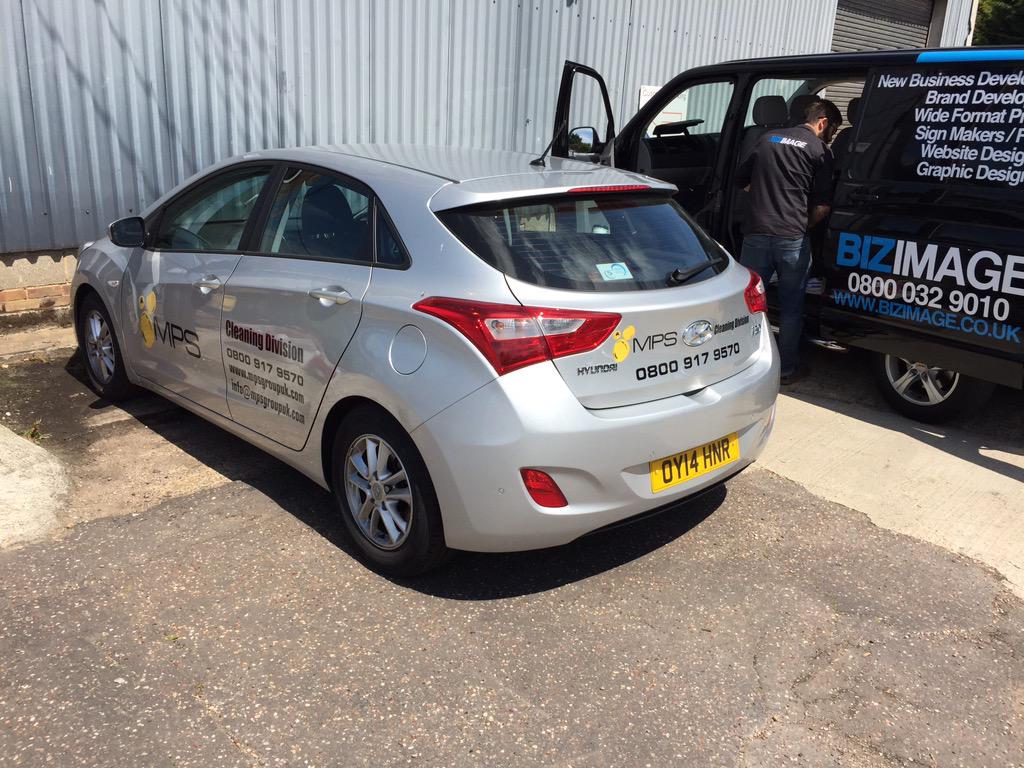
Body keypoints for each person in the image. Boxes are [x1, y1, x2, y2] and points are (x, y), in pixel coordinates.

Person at [735, 98, 842, 385]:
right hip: (792, 239)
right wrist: (801, 225)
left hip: (756, 234)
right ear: (822, 122)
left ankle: (742, 365)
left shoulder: (767, 139)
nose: (831, 136)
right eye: (832, 129)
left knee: (749, 305)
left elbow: (742, 181)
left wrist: (764, 196)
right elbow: (822, 207)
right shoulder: (820, 151)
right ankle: (785, 370)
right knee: (792, 306)